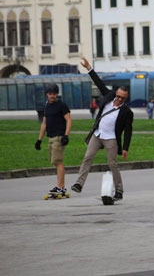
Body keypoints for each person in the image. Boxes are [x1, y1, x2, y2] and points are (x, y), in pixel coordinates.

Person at [71, 58, 134, 201]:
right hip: (98, 134)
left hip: (111, 138)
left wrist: (125, 148)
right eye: (117, 96)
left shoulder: (127, 112)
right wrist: (89, 68)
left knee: (113, 164)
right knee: (87, 157)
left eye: (122, 98)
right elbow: (99, 83)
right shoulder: (109, 95)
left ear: (126, 98)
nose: (118, 99)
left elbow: (128, 130)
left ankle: (119, 190)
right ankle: (79, 184)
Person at [35, 84, 72, 196]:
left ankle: (60, 187)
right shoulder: (46, 106)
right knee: (56, 163)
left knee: (58, 162)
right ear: (47, 94)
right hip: (50, 137)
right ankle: (61, 187)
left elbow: (69, 120)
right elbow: (44, 123)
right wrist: (39, 140)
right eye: (50, 94)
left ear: (57, 94)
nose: (52, 96)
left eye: (54, 94)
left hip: (59, 137)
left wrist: (66, 135)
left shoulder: (62, 105)